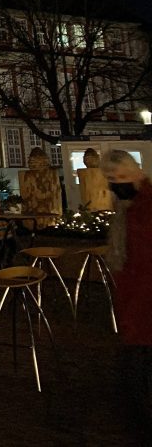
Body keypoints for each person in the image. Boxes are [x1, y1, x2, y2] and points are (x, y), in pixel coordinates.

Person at [101, 149, 152, 436]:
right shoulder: (128, 206)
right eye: (110, 178)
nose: (115, 183)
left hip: (144, 306)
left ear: (135, 173)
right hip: (134, 306)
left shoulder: (144, 206)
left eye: (119, 177)